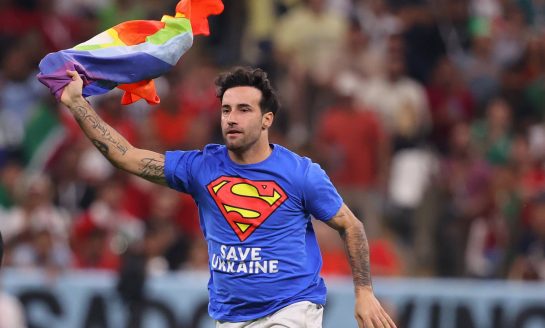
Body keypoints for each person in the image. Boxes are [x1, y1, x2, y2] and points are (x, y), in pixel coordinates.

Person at [59, 67, 396, 328]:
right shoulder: (201, 168)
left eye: (244, 110)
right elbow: (127, 156)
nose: (232, 118)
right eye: (226, 110)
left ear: (267, 120)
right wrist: (77, 103)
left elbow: (351, 226)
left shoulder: (300, 173)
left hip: (292, 310)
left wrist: (364, 292)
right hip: (230, 316)